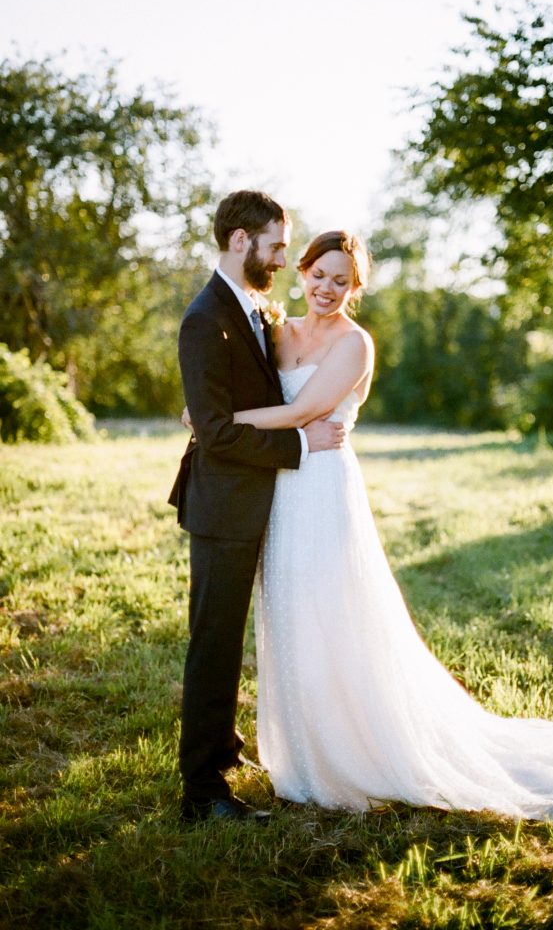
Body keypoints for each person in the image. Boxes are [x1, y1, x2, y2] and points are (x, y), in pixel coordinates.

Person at [186, 230, 553, 820]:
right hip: (278, 488)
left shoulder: (355, 344)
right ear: (302, 270)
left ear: (356, 288)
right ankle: (305, 747)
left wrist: (212, 418)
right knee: (290, 615)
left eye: (342, 282)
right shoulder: (275, 329)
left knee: (334, 614)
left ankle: (357, 751)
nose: (327, 289)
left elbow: (300, 413)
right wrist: (218, 412)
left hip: (321, 488)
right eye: (319, 275)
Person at [169, 191, 345, 824]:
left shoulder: (251, 309)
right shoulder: (203, 317)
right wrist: (300, 441)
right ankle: (202, 793)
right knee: (214, 645)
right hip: (222, 506)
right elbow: (215, 431)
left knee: (229, 636)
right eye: (274, 246)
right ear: (240, 241)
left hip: (254, 504)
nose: (280, 259)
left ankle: (223, 747)